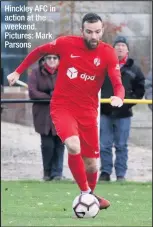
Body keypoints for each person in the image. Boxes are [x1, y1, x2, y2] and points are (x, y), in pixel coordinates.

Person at [7, 13, 125, 210]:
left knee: (93, 165)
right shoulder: (66, 44)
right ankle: (87, 195)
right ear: (82, 31)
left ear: (102, 31)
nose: (93, 36)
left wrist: (118, 97)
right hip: (63, 107)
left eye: (97, 32)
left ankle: (90, 195)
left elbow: (117, 82)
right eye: (89, 32)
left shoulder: (108, 53)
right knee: (72, 145)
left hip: (88, 112)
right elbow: (39, 51)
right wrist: (18, 70)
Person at [99, 36, 145, 182]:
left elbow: (140, 88)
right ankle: (105, 173)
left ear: (127, 50)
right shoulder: (103, 66)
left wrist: (129, 103)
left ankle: (120, 175)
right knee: (104, 145)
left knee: (121, 145)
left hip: (124, 114)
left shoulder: (134, 69)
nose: (120, 48)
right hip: (104, 112)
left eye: (123, 46)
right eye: (117, 45)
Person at [28, 54, 65, 181]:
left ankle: (58, 173)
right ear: (44, 60)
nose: (52, 60)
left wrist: (57, 94)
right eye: (49, 58)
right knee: (47, 144)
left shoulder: (65, 72)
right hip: (43, 114)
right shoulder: (35, 73)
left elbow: (69, 89)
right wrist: (50, 97)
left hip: (61, 113)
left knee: (60, 144)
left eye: (55, 58)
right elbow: (33, 92)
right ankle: (47, 172)